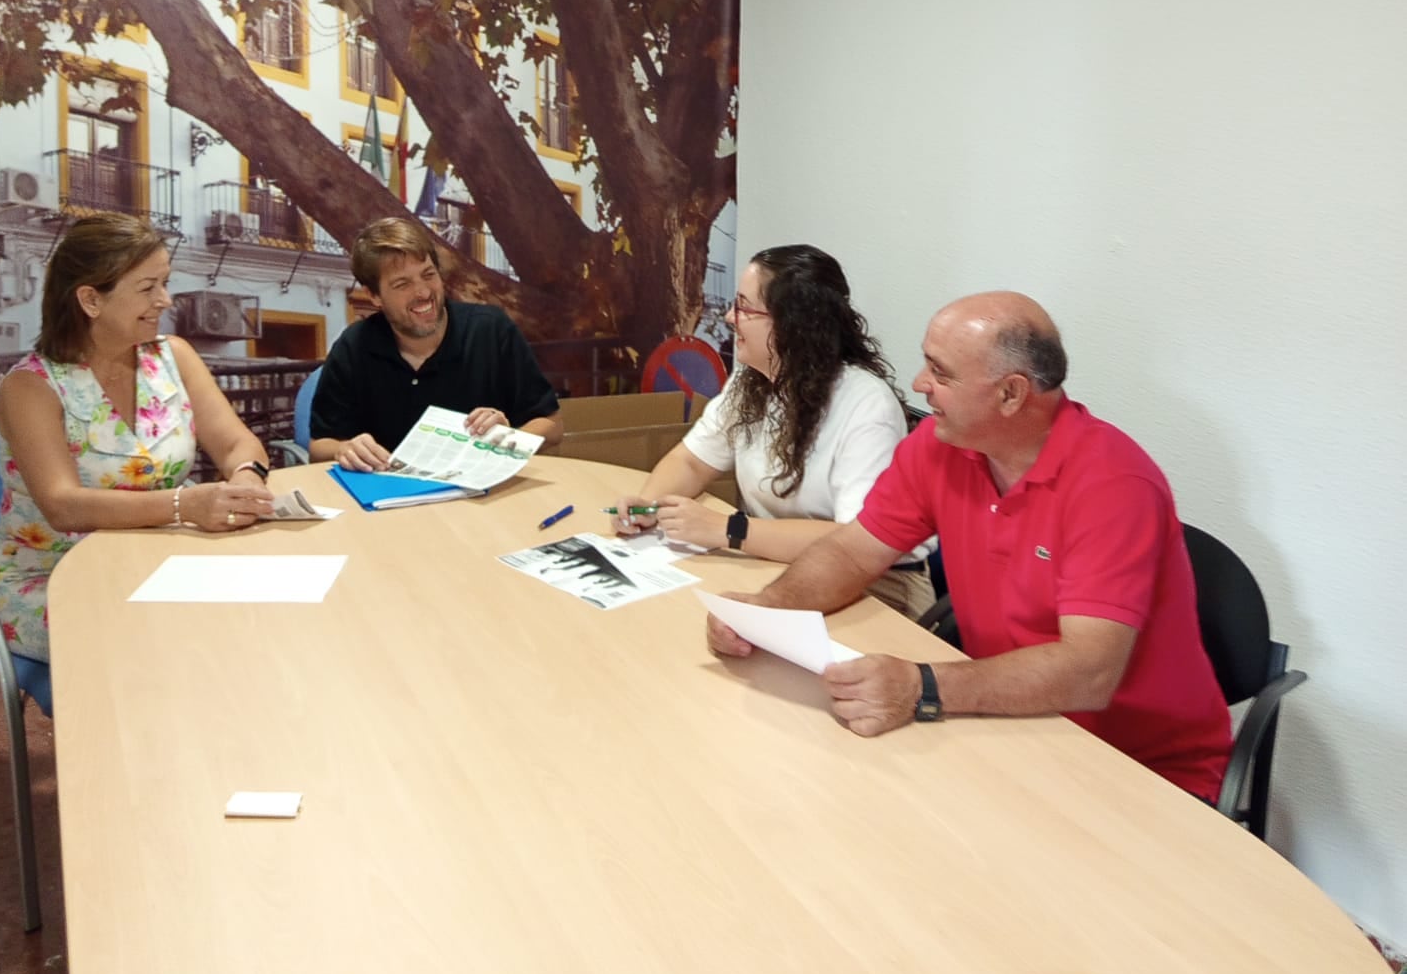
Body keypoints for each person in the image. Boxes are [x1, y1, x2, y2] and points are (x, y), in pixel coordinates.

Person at [706, 291, 1233, 801]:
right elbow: (852, 551)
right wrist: (769, 609)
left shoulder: (1112, 484)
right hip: (1011, 728)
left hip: (1136, 769)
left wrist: (921, 688)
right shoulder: (942, 447)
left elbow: (1089, 673)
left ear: (1011, 394)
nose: (919, 384)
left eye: (941, 373)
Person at [0, 213, 276, 662]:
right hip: (53, 579)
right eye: (148, 287)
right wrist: (184, 505)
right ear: (90, 300)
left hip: (160, 560)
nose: (166, 300)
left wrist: (248, 478)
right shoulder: (30, 387)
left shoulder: (174, 357)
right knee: (177, 642)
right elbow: (63, 505)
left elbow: (237, 443)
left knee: (260, 610)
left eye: (165, 282)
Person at [611, 244, 935, 618]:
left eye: (744, 307)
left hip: (875, 587)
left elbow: (855, 543)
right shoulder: (751, 381)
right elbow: (692, 461)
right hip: (775, 564)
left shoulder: (866, 405)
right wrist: (648, 504)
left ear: (792, 324)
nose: (731, 318)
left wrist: (728, 529)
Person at [308, 218, 563, 469]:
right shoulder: (354, 346)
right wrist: (344, 449)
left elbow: (552, 424)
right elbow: (319, 446)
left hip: (481, 496)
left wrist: (508, 438)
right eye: (402, 284)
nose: (423, 292)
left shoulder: (491, 330)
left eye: (428, 275)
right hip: (386, 499)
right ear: (374, 295)